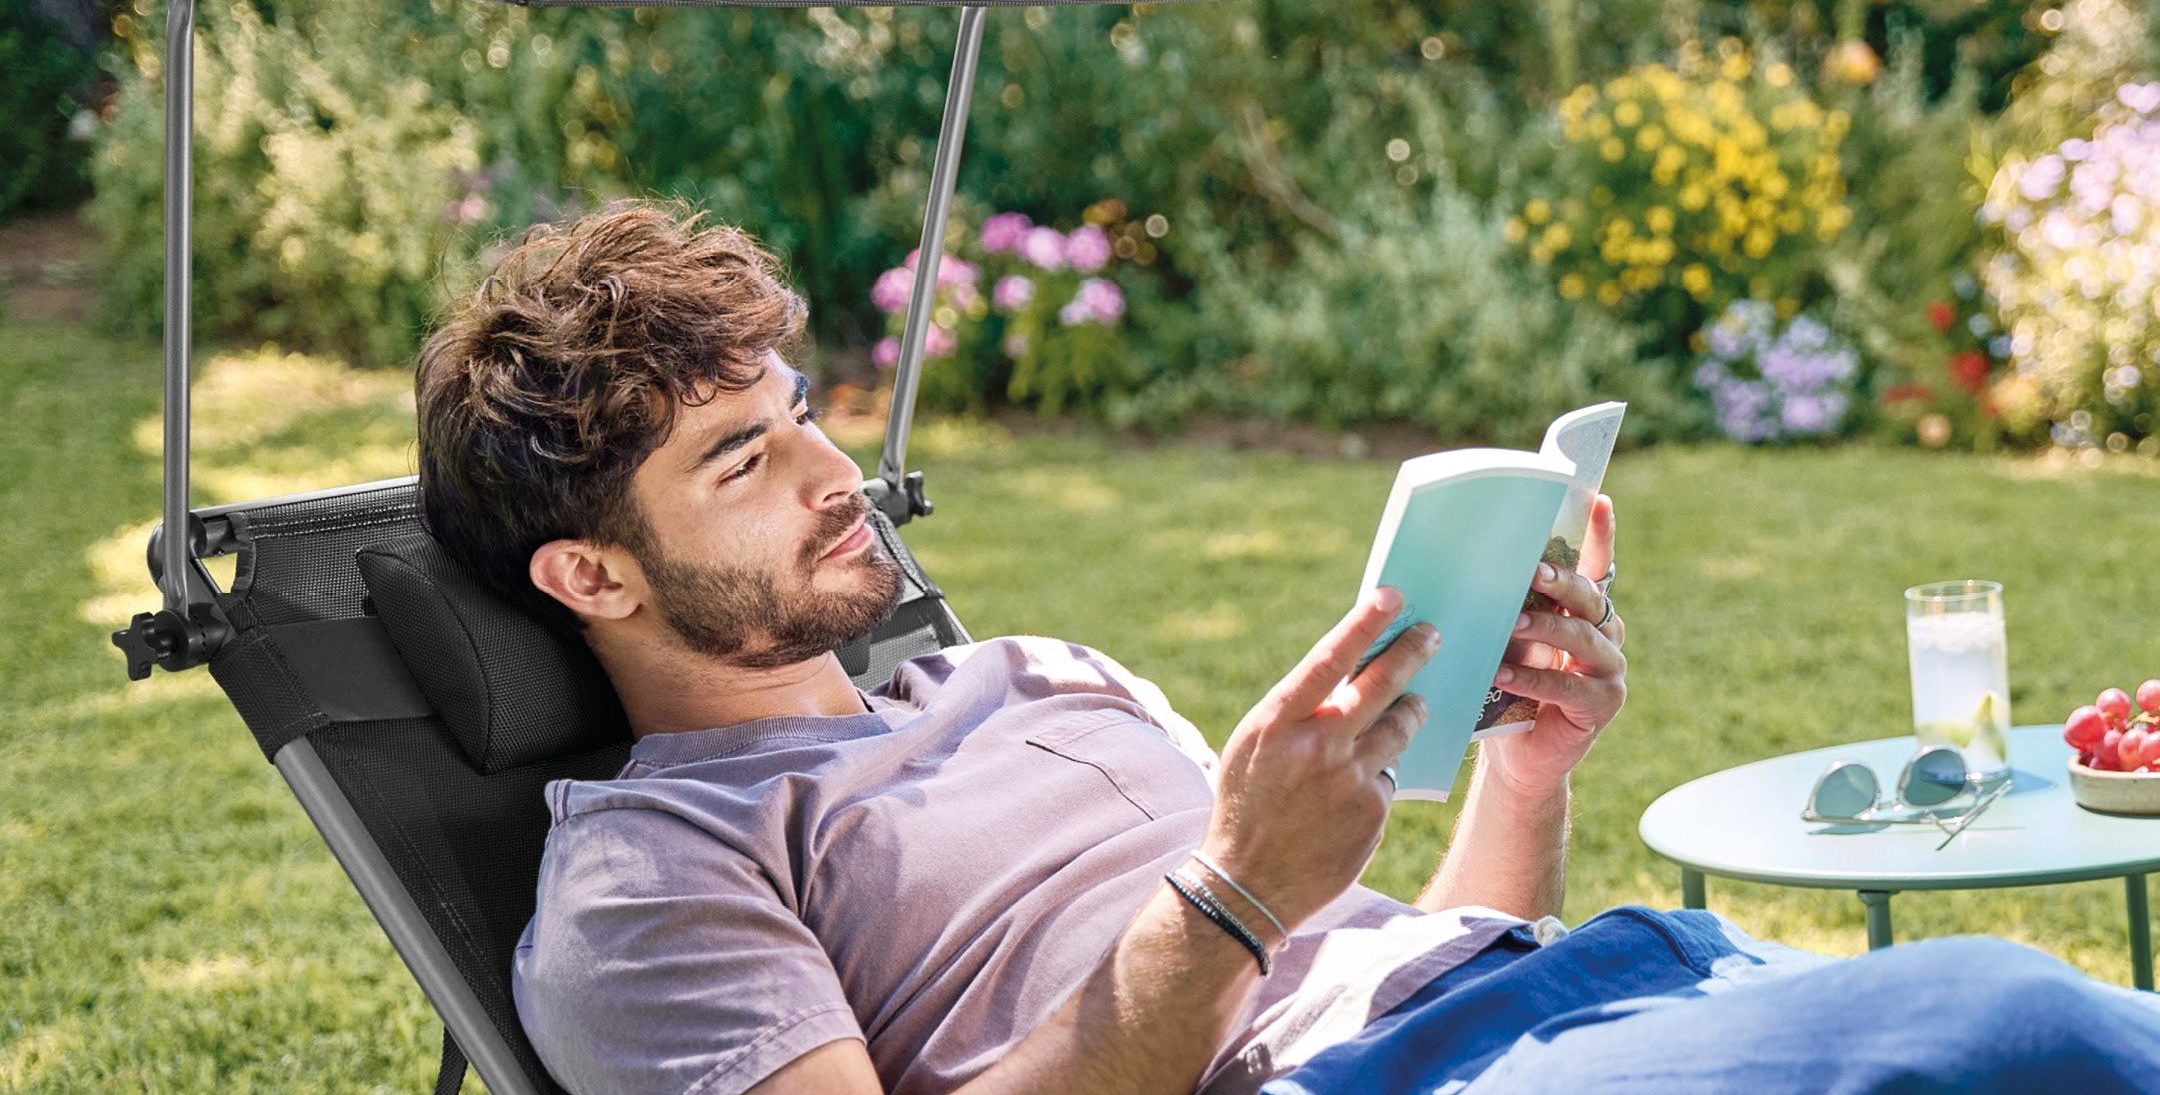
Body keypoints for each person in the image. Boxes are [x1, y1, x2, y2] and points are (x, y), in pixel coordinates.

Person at [415, 203, 2160, 1095]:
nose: (829, 474)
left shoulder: (1032, 672)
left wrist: (1522, 768)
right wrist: (1236, 891)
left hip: (1566, 991)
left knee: (2076, 1032)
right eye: (740, 460)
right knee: (2016, 1036)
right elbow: (1263, 968)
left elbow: (1380, 943)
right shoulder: (651, 877)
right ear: (591, 572)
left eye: (800, 417)